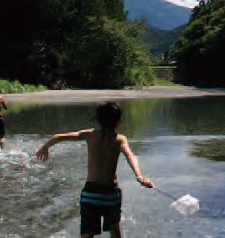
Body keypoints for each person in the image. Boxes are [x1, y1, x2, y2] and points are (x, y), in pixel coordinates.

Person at [36, 102, 154, 238]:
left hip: (90, 194)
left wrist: (45, 147)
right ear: (119, 122)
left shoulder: (89, 135)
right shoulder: (120, 139)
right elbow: (130, 156)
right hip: (111, 193)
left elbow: (58, 137)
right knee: (114, 229)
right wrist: (139, 176)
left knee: (87, 233)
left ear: (98, 120)